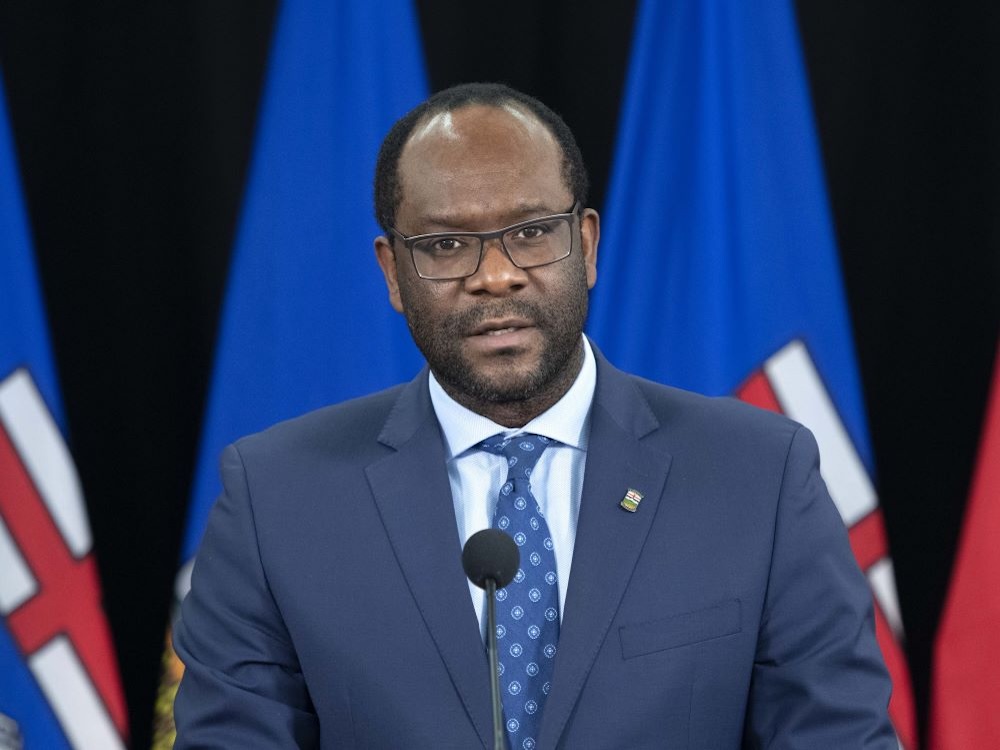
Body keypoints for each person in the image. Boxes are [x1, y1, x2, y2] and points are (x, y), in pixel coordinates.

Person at [173, 83, 896, 749]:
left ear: (584, 244)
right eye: (447, 245)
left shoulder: (759, 477)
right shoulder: (276, 499)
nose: (495, 275)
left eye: (531, 232)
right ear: (393, 273)